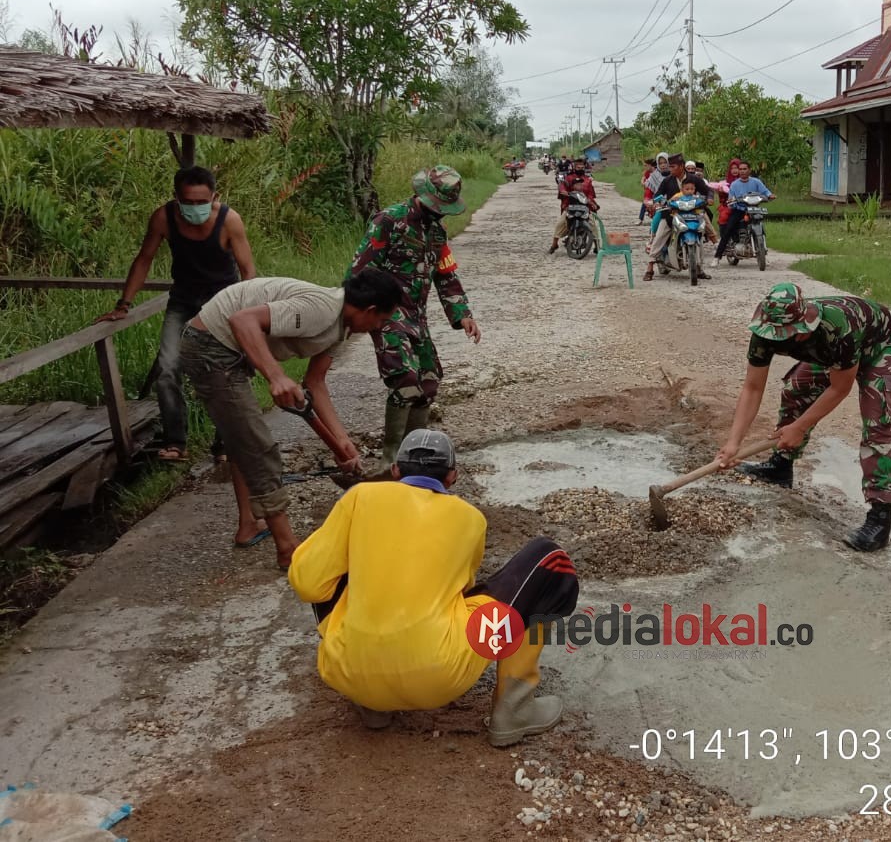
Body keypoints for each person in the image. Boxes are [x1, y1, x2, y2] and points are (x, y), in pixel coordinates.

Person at [288, 429, 579, 740]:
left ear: (396, 471)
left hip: (347, 673)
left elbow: (308, 584)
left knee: (327, 562)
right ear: (452, 476)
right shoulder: (471, 519)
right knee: (547, 560)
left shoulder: (359, 497)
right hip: (439, 678)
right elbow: (462, 589)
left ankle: (372, 703)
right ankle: (514, 709)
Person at [180, 270, 401, 567]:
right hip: (209, 344)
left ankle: (249, 524)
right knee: (257, 446)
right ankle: (288, 550)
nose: (378, 327)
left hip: (228, 347)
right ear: (371, 310)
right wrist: (276, 376)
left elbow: (316, 382)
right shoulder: (322, 309)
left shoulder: (341, 327)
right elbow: (242, 320)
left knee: (241, 436)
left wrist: (341, 441)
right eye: (381, 320)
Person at [715, 283, 891, 552]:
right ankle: (781, 466)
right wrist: (734, 442)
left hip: (880, 345)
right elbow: (752, 387)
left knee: (878, 422)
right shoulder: (765, 330)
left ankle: (880, 517)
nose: (773, 340)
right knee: (797, 387)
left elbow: (840, 388)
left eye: (781, 336)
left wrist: (800, 427)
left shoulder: (836, 328)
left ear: (801, 331)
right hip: (836, 354)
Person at [95, 165, 255, 462]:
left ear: (214, 196)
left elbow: (247, 270)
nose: (194, 208)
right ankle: (176, 442)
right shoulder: (163, 218)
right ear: (176, 198)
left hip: (223, 302)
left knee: (224, 369)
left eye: (201, 202)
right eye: (188, 202)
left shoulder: (229, 221)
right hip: (182, 301)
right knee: (167, 369)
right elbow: (144, 258)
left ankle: (226, 443)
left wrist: (246, 312)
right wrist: (123, 305)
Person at [347, 166, 482, 469]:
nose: (440, 213)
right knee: (405, 379)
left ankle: (413, 457)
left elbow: (446, 276)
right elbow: (359, 272)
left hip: (416, 317)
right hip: (385, 313)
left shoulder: (437, 232)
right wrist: (360, 316)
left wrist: (463, 315)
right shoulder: (389, 221)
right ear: (423, 196)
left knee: (430, 379)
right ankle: (389, 460)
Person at [643, 153, 714, 281]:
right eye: (669, 167)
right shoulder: (668, 180)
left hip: (693, 213)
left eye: (673, 166)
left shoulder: (694, 179)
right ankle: (650, 267)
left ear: (681, 166)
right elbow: (658, 194)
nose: (670, 169)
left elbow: (708, 190)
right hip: (672, 214)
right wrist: (656, 202)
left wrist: (709, 198)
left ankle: (701, 265)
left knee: (703, 229)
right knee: (660, 235)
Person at [713, 163, 774, 267]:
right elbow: (731, 197)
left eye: (745, 169)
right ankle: (717, 257)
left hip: (754, 209)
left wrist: (770, 195)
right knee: (728, 229)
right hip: (739, 210)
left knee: (761, 227)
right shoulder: (734, 184)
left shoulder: (756, 182)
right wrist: (731, 201)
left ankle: (763, 254)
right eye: (740, 169)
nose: (742, 171)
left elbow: (766, 191)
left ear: (749, 170)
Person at [548, 161, 600, 254]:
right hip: (570, 206)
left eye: (582, 167)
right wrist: (563, 191)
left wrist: (590, 201)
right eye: (578, 167)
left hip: (585, 207)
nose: (580, 169)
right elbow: (562, 186)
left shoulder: (587, 180)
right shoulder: (568, 178)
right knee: (561, 223)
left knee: (592, 224)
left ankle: (597, 245)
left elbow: (591, 194)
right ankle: (554, 244)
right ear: (574, 167)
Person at [638, 157, 658, 224]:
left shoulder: (657, 172)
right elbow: (642, 179)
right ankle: (640, 219)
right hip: (648, 193)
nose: (645, 167)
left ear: (650, 165)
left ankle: (654, 220)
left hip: (654, 193)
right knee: (644, 205)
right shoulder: (647, 172)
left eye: (646, 165)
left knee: (655, 206)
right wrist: (644, 183)